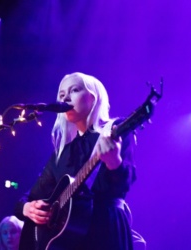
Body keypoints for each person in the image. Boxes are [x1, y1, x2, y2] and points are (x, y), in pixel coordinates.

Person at [14, 72, 138, 250]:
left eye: (74, 90)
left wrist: (114, 163)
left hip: (106, 231)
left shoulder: (114, 130)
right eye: (62, 95)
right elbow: (33, 195)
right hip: (71, 241)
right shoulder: (63, 153)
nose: (66, 98)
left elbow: (124, 185)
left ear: (93, 98)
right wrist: (26, 208)